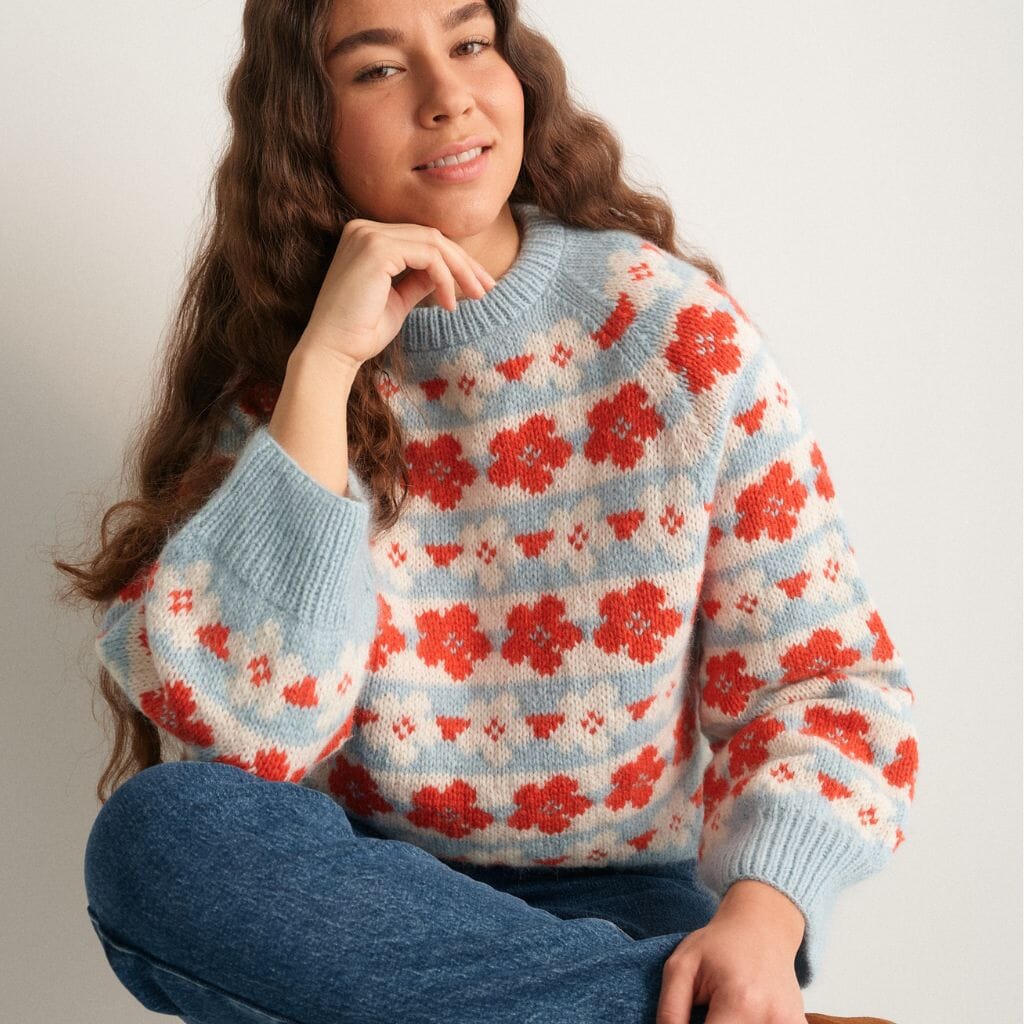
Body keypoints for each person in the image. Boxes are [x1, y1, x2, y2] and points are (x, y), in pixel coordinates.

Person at [58, 1, 917, 1022]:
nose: (447, 94)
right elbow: (245, 741)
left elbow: (820, 678)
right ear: (304, 123)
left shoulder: (672, 336)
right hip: (357, 905)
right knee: (158, 836)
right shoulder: (284, 383)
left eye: (470, 44)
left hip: (621, 904)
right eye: (377, 70)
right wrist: (325, 369)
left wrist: (763, 925)